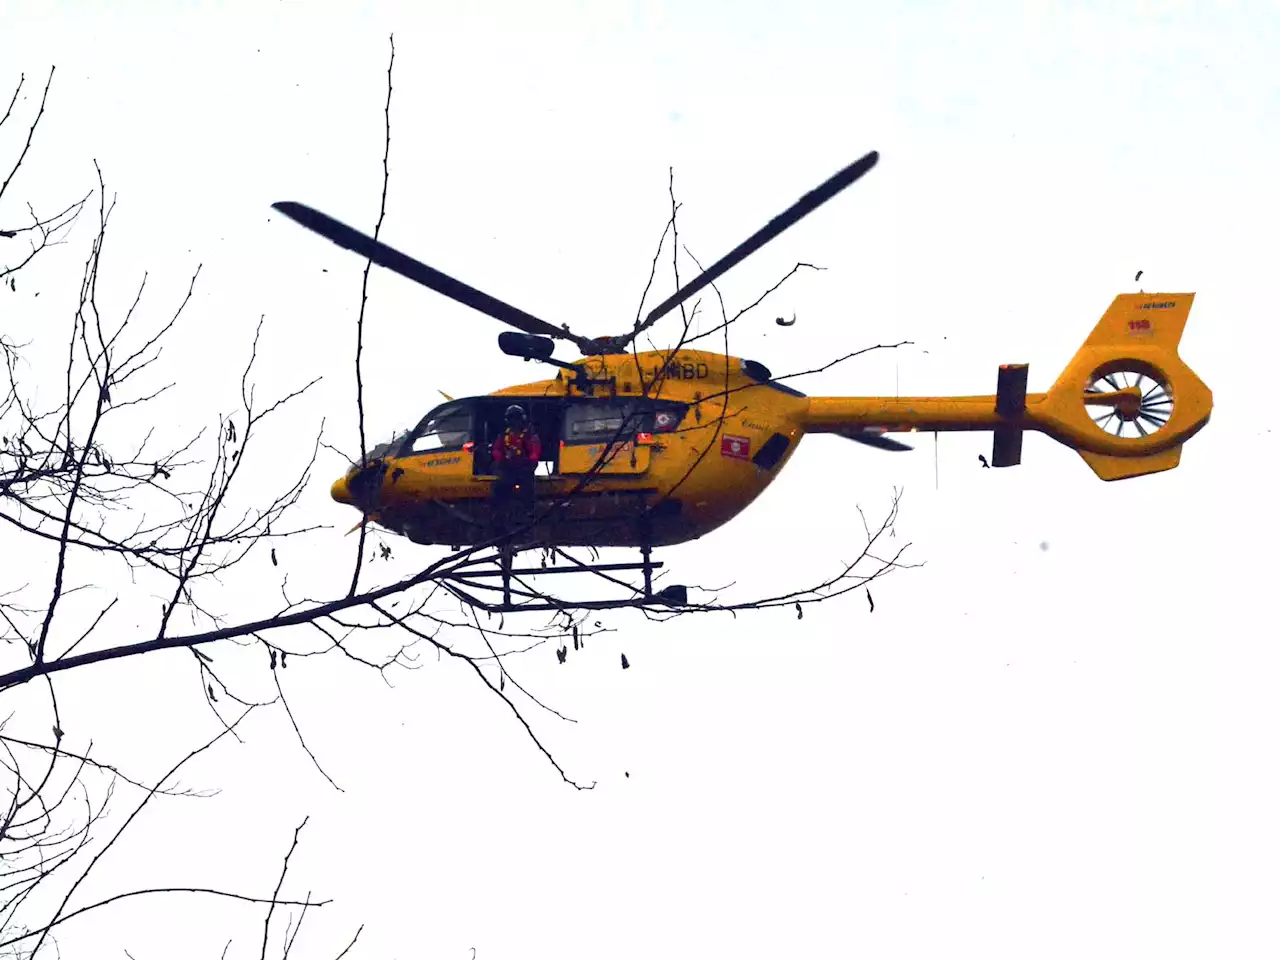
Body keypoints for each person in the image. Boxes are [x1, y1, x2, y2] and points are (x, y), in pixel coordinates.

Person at [490, 404, 541, 518]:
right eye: (512, 420)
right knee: (499, 487)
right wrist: (501, 459)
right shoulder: (504, 435)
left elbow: (534, 450)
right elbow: (496, 449)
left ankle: (529, 512)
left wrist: (529, 462)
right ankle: (498, 512)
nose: (514, 423)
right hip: (508, 468)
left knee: (528, 488)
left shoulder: (529, 435)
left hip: (524, 468)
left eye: (516, 419)